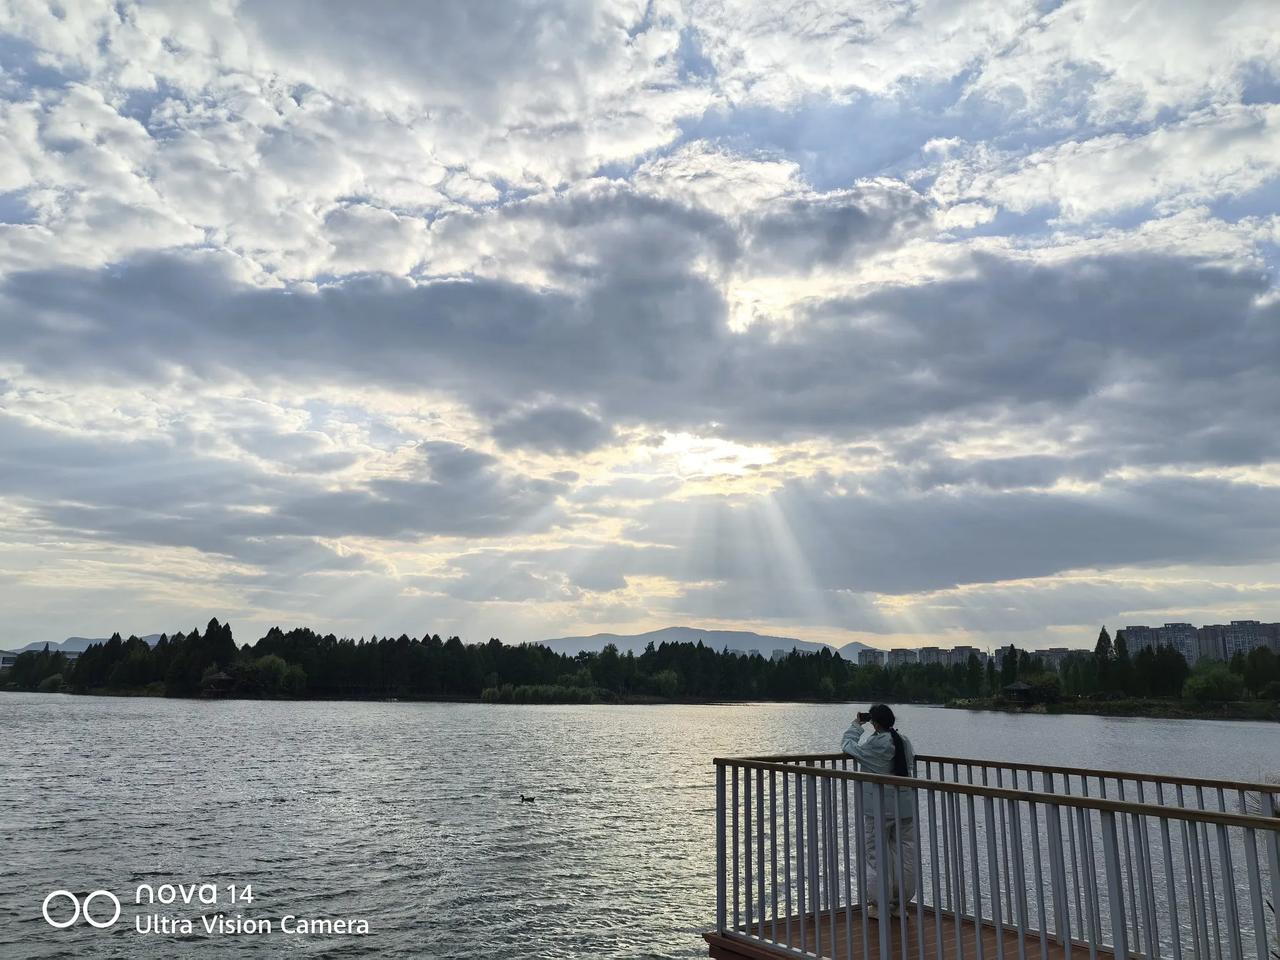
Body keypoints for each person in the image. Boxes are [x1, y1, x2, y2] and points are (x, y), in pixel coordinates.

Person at [841, 703, 916, 918]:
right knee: (905, 855)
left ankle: (879, 904)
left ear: (874, 722)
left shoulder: (878, 743)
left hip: (880, 807)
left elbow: (848, 746)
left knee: (876, 854)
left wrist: (856, 725)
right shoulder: (903, 740)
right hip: (904, 805)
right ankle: (901, 904)